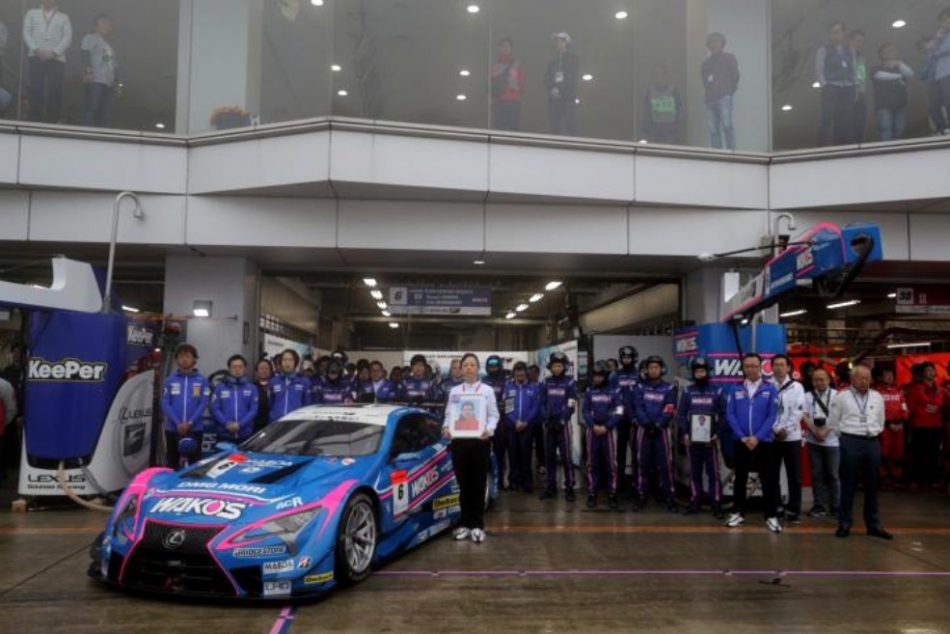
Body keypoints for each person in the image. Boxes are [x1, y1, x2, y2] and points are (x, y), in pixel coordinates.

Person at [828, 365, 891, 539]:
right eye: (861, 378)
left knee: (872, 485)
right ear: (852, 379)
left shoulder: (877, 396)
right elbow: (833, 422)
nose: (865, 381)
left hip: (872, 442)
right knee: (848, 484)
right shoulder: (842, 397)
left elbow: (881, 419)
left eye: (868, 378)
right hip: (850, 441)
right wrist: (846, 438)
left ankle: (873, 524)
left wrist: (875, 432)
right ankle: (845, 523)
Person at [443, 353, 500, 543]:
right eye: (465, 365)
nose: (468, 368)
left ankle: (477, 525)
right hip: (459, 442)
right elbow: (449, 415)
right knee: (463, 485)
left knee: (478, 484)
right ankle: (465, 524)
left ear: (477, 368)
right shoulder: (455, 391)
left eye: (472, 365)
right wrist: (446, 428)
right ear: (460, 368)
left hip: (480, 442)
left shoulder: (487, 390)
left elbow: (494, 416)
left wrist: (489, 430)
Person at [724, 353, 782, 533]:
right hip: (741, 441)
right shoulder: (735, 389)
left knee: (768, 479)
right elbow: (730, 414)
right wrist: (742, 436)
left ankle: (771, 516)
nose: (751, 369)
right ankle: (738, 513)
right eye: (747, 366)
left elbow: (772, 415)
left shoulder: (770, 388)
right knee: (740, 478)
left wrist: (757, 437)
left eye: (755, 366)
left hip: (762, 441)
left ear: (761, 367)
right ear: (743, 368)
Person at [677, 358, 724, 518]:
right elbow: (681, 415)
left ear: (707, 372)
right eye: (697, 371)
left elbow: (724, 415)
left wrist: (717, 433)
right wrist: (685, 434)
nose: (700, 374)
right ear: (693, 373)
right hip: (693, 440)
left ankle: (716, 503)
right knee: (694, 473)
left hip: (710, 441)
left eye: (703, 371)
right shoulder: (688, 391)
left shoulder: (717, 391)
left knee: (714, 474)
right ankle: (694, 500)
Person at [633, 355, 677, 512]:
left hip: (662, 431)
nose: (653, 370)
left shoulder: (669, 388)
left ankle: (669, 496)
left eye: (656, 367)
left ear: (661, 369)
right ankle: (641, 495)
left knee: (665, 465)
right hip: (644, 430)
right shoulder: (639, 387)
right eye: (651, 367)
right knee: (642, 464)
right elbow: (638, 407)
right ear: (647, 370)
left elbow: (670, 408)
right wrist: (647, 423)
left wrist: (658, 424)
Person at [160, 343, 210, 468]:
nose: (184, 359)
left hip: (195, 428)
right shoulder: (169, 380)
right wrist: (178, 423)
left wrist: (190, 423)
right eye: (181, 356)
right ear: (176, 360)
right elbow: (165, 402)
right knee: (172, 463)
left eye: (188, 356)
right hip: (173, 428)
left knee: (195, 464)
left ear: (194, 359)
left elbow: (203, 402)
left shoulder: (202, 380)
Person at [23, 0, 72, 123]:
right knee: (35, 88)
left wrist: (54, 53)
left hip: (57, 59)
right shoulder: (31, 13)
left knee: (55, 89)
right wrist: (35, 49)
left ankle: (52, 120)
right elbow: (26, 32)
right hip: (36, 56)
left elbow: (67, 37)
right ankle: (34, 118)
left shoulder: (64, 17)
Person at [770, 354, 805, 524]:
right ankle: (776, 506)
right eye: (775, 364)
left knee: (794, 475)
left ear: (788, 367)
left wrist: (785, 429)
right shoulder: (767, 386)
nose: (778, 368)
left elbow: (799, 411)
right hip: (772, 437)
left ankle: (793, 509)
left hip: (792, 437)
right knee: (772, 474)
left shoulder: (797, 387)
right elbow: (766, 411)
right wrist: (775, 429)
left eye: (782, 364)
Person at [583, 361, 623, 509]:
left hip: (609, 432)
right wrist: (593, 426)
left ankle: (612, 494)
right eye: (595, 376)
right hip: (593, 431)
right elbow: (585, 411)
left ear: (606, 376)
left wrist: (607, 426)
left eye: (600, 376)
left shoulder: (616, 391)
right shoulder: (589, 391)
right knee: (592, 463)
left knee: (611, 464)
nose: (597, 378)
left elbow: (619, 411)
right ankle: (592, 493)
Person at [539, 352, 577, 501]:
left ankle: (569, 487)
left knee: (566, 457)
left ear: (564, 367)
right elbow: (541, 403)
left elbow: (571, 404)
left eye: (560, 365)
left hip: (564, 425)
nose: (557, 368)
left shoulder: (570, 383)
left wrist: (562, 420)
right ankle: (551, 487)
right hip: (548, 424)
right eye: (554, 365)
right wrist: (547, 418)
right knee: (549, 458)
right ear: (550, 367)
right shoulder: (545, 382)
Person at [803, 367, 840, 518]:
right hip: (813, 441)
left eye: (822, 379)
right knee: (816, 473)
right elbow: (803, 414)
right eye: (815, 380)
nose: (819, 382)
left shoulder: (837, 396)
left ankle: (836, 505)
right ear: (812, 381)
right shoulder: (806, 396)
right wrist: (814, 431)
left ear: (829, 380)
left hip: (832, 441)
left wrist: (825, 432)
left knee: (833, 474)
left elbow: (838, 416)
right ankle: (818, 505)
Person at [503, 362, 542, 493]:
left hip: (527, 426)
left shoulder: (534, 388)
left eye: (522, 372)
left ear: (526, 373)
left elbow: (535, 408)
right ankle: (513, 481)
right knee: (513, 455)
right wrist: (515, 422)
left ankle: (527, 482)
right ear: (514, 373)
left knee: (526, 455)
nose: (520, 374)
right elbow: (508, 408)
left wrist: (525, 422)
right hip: (512, 426)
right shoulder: (508, 387)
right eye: (517, 372)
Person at [816, 22, 857, 146]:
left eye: (838, 32)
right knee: (827, 116)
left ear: (843, 34)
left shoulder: (850, 50)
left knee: (846, 117)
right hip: (831, 85)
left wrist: (855, 84)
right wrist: (825, 85)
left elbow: (854, 68)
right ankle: (822, 146)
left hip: (848, 86)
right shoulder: (823, 50)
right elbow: (819, 69)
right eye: (832, 33)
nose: (835, 36)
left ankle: (842, 145)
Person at [905, 361, 945, 490]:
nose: (931, 372)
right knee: (919, 455)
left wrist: (939, 410)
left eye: (932, 370)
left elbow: (945, 406)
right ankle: (918, 480)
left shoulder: (941, 390)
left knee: (934, 455)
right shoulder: (915, 389)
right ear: (923, 373)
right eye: (928, 370)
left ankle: (934, 480)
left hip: (936, 426)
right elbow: (909, 408)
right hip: (920, 427)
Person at [609, 346, 640, 498]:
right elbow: (610, 395)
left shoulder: (639, 374)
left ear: (634, 358)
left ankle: (636, 484)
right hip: (620, 419)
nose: (626, 360)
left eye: (629, 357)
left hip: (635, 419)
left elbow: (643, 396)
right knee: (620, 452)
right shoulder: (615, 375)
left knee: (636, 451)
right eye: (624, 357)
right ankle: (619, 483)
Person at [702, 32, 739, 150]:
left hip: (724, 97)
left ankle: (731, 151)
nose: (714, 45)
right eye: (711, 42)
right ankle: (717, 153)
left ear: (722, 44)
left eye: (716, 42)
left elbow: (735, 76)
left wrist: (729, 91)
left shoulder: (729, 58)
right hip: (710, 99)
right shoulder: (706, 63)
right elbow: (704, 81)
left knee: (727, 125)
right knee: (713, 129)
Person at [211, 354, 259, 444]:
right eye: (234, 367)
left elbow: (253, 409)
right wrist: (227, 424)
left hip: (245, 434)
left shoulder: (252, 388)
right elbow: (215, 409)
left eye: (240, 367)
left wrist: (240, 425)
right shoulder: (220, 387)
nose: (237, 369)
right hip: (224, 434)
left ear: (245, 368)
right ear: (229, 369)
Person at [81, 14, 118, 127]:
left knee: (104, 113)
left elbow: (114, 65)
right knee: (92, 109)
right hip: (95, 81)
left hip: (108, 84)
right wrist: (88, 72)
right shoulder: (90, 38)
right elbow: (85, 54)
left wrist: (117, 84)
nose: (107, 26)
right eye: (103, 23)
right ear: (95, 26)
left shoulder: (109, 47)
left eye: (108, 24)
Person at [873, 366, 908, 488]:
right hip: (885, 427)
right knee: (884, 453)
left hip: (899, 427)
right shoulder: (876, 392)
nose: (890, 376)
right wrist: (888, 424)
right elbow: (875, 411)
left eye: (891, 374)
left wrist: (902, 422)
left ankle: (897, 477)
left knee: (898, 453)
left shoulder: (899, 390)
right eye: (887, 373)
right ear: (880, 377)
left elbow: (904, 407)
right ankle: (884, 477)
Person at [872, 44, 914, 141]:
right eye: (889, 51)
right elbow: (879, 75)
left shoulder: (900, 67)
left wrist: (900, 64)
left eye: (894, 50)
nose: (892, 53)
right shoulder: (876, 67)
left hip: (901, 103)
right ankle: (886, 152)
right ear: (882, 54)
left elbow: (910, 74)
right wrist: (899, 76)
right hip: (883, 103)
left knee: (899, 129)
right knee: (885, 129)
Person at [545, 32, 579, 136]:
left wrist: (560, 89)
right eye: (557, 42)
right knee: (554, 126)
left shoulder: (573, 59)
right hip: (555, 100)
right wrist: (552, 89)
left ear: (566, 43)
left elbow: (572, 77)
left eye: (561, 41)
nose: (558, 44)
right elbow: (547, 78)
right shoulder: (552, 62)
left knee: (571, 125)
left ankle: (573, 148)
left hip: (568, 98)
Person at [483, 355, 509, 488]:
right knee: (485, 451)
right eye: (490, 365)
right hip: (485, 422)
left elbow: (509, 401)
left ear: (499, 366)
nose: (493, 368)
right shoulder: (483, 381)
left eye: (495, 365)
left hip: (501, 422)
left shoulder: (505, 381)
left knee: (500, 452)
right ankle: (487, 480)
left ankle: (500, 481)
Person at [641, 65, 683, 144]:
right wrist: (646, 128)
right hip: (655, 128)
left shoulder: (673, 90)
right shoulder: (650, 90)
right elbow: (646, 110)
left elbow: (679, 108)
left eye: (661, 74)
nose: (659, 76)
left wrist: (677, 126)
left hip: (670, 128)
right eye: (657, 74)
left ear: (665, 75)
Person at [490, 37, 525, 132]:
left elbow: (522, 83)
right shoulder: (493, 64)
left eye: (507, 46)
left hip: (513, 101)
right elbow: (490, 82)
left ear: (511, 49)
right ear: (499, 48)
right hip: (498, 100)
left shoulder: (518, 64)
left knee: (513, 130)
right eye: (503, 46)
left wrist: (514, 86)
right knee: (498, 130)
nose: (505, 48)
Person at [917, 36, 949, 135]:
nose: (923, 49)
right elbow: (920, 75)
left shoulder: (942, 52)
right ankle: (941, 128)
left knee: (948, 101)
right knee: (933, 106)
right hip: (932, 83)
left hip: (945, 79)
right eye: (921, 48)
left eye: (924, 46)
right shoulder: (927, 59)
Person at [268, 349, 311, 421]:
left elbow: (307, 404)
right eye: (284, 360)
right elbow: (271, 403)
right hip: (276, 422)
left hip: (295, 422)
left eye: (290, 360)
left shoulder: (304, 382)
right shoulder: (273, 381)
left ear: (295, 362)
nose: (287, 363)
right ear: (281, 362)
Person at [931, 7, 950, 136]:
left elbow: (940, 51)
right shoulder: (943, 36)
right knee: (943, 101)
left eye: (945, 20)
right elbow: (931, 52)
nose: (943, 24)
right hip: (941, 75)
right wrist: (938, 39)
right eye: (942, 21)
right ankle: (943, 127)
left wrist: (937, 51)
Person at [849, 30, 868, 142]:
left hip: (859, 94)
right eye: (858, 41)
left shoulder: (860, 56)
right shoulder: (842, 54)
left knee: (860, 122)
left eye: (862, 42)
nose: (860, 44)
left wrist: (861, 92)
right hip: (845, 93)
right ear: (850, 41)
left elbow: (861, 76)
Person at [253, 358, 273, 434]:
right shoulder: (251, 386)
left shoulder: (274, 385)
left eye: (266, 368)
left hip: (272, 424)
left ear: (271, 371)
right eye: (261, 368)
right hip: (256, 425)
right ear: (257, 371)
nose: (264, 371)